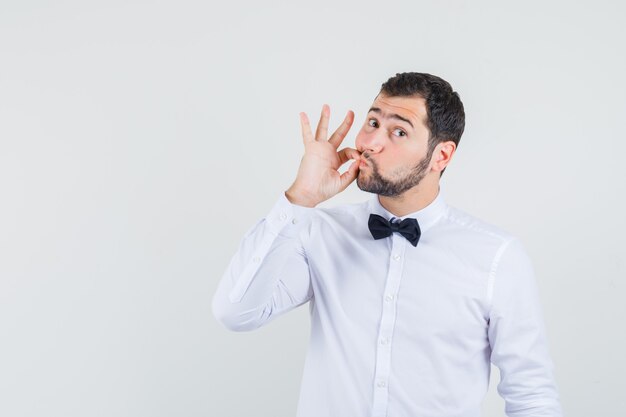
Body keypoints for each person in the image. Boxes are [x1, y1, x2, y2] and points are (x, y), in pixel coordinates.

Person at [212, 72, 562, 417]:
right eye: (373, 122)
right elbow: (235, 312)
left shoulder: (496, 256)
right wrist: (299, 198)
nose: (372, 142)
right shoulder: (319, 233)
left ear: (441, 156)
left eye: (399, 131)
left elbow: (531, 395)